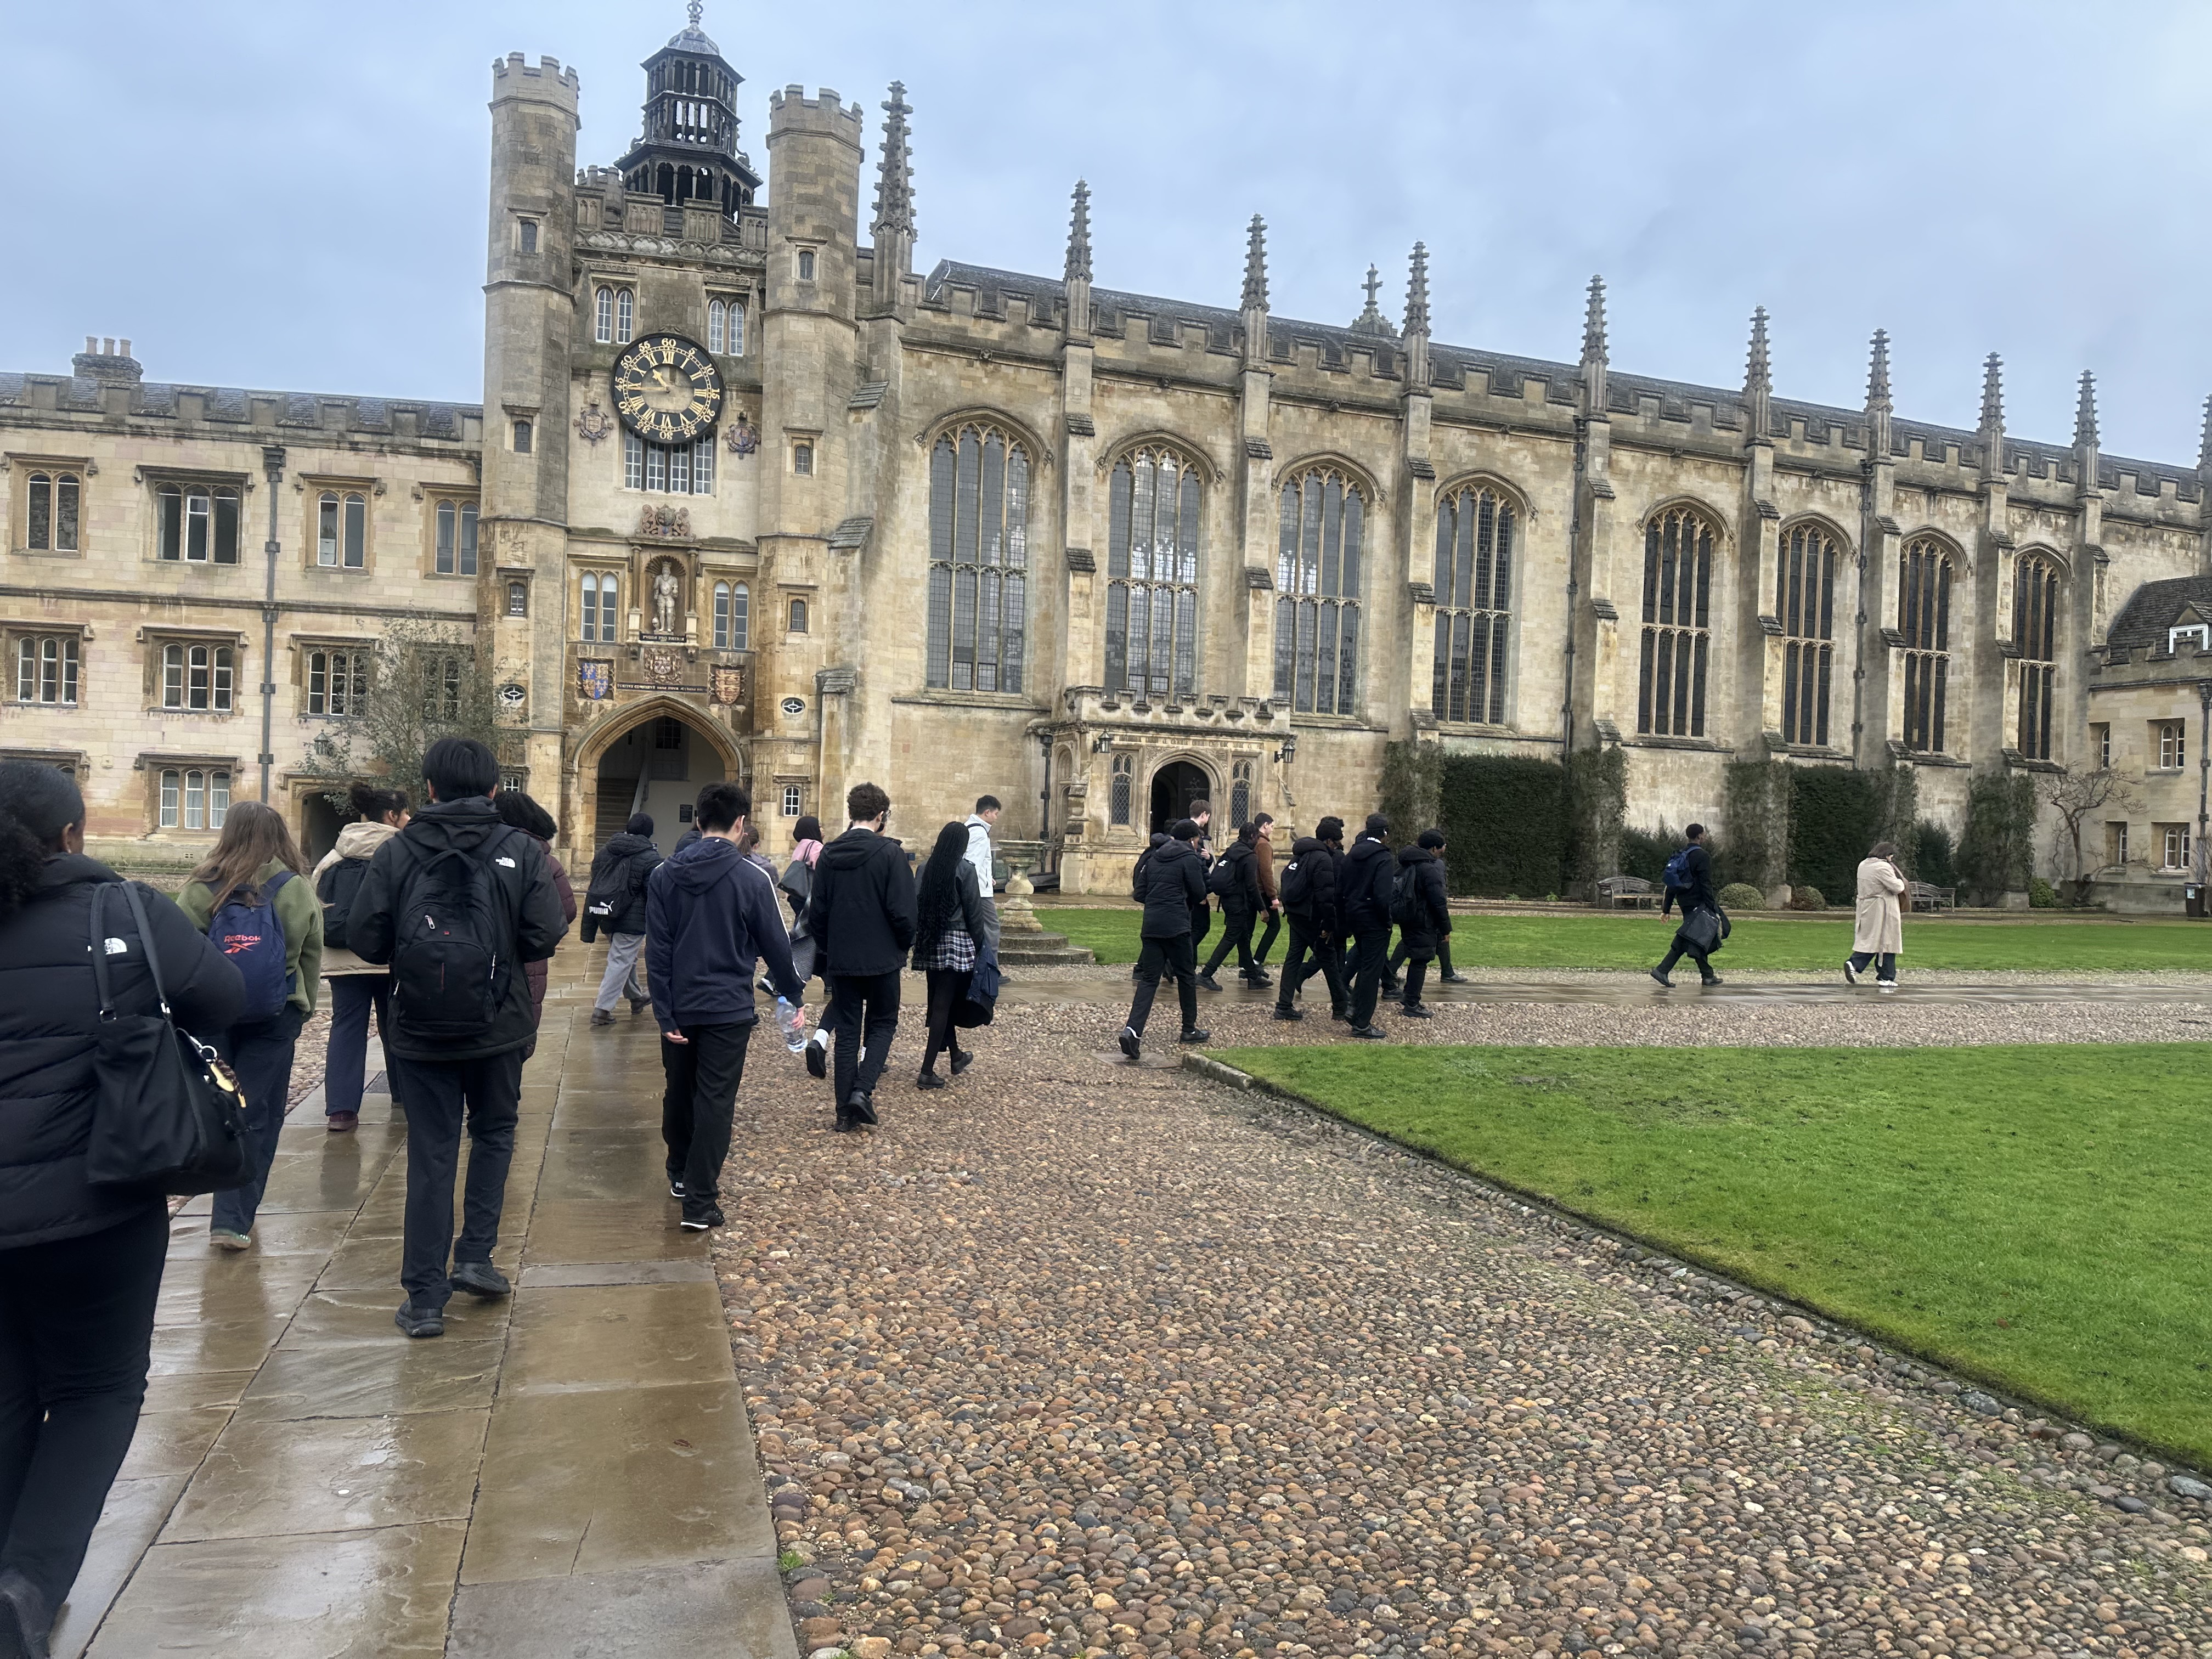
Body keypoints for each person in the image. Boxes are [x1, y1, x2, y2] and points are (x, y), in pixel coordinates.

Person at [0, 761, 243, 1656]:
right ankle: (24, 1589)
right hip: (96, 1197)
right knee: (99, 1390)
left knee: (11, 1386)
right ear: (72, 835)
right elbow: (225, 996)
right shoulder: (123, 910)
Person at [349, 737, 568, 1339]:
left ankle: (424, 1296)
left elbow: (367, 939)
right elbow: (545, 934)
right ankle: (475, 1255)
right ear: (496, 790)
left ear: (428, 789)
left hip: (419, 1029)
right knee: (494, 1134)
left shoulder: (397, 853)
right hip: (498, 1026)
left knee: (432, 1152)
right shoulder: (520, 850)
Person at [645, 782, 805, 1230]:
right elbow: (777, 945)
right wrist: (793, 994)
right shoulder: (753, 879)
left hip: (679, 1004)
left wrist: (665, 1013)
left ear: (698, 821)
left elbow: (656, 952)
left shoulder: (662, 875)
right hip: (728, 1007)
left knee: (678, 1091)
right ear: (741, 825)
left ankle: (679, 1172)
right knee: (715, 1100)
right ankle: (700, 1200)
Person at [177, 801, 324, 1250]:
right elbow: (311, 950)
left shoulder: (203, 886)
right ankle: (233, 1219)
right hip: (275, 1014)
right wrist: (303, 1005)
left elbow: (180, 949)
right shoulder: (293, 886)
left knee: (220, 1105)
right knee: (258, 1113)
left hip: (214, 1015)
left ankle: (214, 1194)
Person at [805, 782, 917, 1131]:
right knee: (883, 1023)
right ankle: (861, 1092)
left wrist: (829, 946)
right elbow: (903, 911)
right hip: (882, 956)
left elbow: (817, 913)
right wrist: (903, 945)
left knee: (848, 1031)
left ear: (851, 814)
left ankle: (843, 1113)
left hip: (843, 956)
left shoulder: (829, 854)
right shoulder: (890, 854)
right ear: (881, 816)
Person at [314, 782, 408, 1133]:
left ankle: (340, 1110)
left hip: (343, 957)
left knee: (346, 1027)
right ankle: (403, 1094)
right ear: (392, 816)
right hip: (390, 957)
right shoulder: (404, 853)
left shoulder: (334, 856)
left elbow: (318, 905)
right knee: (394, 1025)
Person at [494, 790, 577, 1059]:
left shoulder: (480, 850)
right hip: (527, 959)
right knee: (519, 1034)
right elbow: (565, 912)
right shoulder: (544, 859)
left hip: (479, 954)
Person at [1119, 817, 1211, 1061]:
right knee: (1186, 976)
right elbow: (1200, 891)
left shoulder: (1155, 855)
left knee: (1149, 980)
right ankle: (1189, 1029)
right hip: (1177, 925)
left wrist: (1158, 902)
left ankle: (1132, 1031)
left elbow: (1140, 892)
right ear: (1193, 840)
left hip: (1152, 924)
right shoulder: (1189, 858)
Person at [911, 821, 992, 1088]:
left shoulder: (925, 868)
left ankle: (956, 1056)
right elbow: (973, 912)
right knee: (943, 1006)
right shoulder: (965, 869)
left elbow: (917, 905)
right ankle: (926, 1071)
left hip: (931, 939)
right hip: (957, 940)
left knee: (939, 1001)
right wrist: (981, 945)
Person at [581, 812, 660, 1026]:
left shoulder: (605, 851)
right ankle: (603, 1009)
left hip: (605, 913)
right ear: (649, 834)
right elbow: (654, 892)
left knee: (626, 958)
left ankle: (636, 998)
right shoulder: (650, 858)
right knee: (621, 960)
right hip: (632, 920)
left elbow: (595, 882)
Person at [1274, 816, 1348, 1022]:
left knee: (1294, 958)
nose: (1338, 846)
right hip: (1312, 917)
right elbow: (1325, 896)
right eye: (1336, 841)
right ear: (1329, 841)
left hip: (1296, 914)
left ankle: (1284, 1005)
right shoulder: (1323, 858)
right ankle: (1342, 1007)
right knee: (1329, 960)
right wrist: (1329, 924)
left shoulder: (1300, 854)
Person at [1339, 812, 1396, 1039]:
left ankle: (1355, 1009)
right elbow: (1383, 896)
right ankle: (1362, 1023)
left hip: (1355, 916)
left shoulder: (1352, 855)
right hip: (1374, 920)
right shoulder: (1383, 858)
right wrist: (1387, 921)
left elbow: (1342, 888)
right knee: (1371, 972)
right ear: (1384, 833)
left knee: (1365, 966)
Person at [1651, 823, 1724, 988]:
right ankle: (1662, 970)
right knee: (1689, 937)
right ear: (1699, 836)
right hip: (1699, 903)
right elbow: (1706, 883)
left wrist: (1666, 909)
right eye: (1704, 834)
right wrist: (1712, 906)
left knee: (1696, 937)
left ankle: (1707, 976)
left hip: (1685, 903)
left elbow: (1671, 885)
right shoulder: (1702, 856)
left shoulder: (1681, 854)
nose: (1705, 836)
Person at [1197, 821, 1266, 990]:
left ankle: (1252, 976)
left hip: (1228, 900)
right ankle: (1206, 974)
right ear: (1252, 837)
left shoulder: (1231, 852)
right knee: (1230, 938)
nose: (1258, 841)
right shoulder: (1249, 857)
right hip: (1239, 903)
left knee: (1243, 938)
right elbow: (1251, 886)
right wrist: (1262, 909)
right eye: (1257, 837)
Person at [1392, 829, 1453, 1018]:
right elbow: (1438, 902)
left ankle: (1408, 997)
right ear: (1434, 848)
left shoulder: (1404, 865)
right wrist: (1446, 928)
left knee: (1416, 957)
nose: (1443, 850)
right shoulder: (1429, 868)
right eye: (1441, 846)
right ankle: (1412, 1003)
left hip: (1407, 917)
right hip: (1424, 920)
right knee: (1420, 961)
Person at [1846, 840, 1908, 991]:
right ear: (1887, 855)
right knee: (1887, 941)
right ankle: (1877, 973)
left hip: (1866, 906)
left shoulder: (1863, 865)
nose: (1891, 859)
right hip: (1883, 908)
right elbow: (1897, 887)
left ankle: (1883, 974)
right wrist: (1901, 881)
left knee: (1872, 939)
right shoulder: (1882, 866)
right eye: (1891, 856)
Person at [781, 814, 825, 985]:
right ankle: (777, 978)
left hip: (794, 895)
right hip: (807, 896)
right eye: (820, 827)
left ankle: (825, 977)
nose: (823, 830)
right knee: (802, 934)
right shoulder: (816, 846)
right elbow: (820, 870)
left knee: (806, 933)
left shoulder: (801, 845)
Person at [962, 795, 1002, 956]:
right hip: (980, 893)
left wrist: (988, 877)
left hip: (976, 888)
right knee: (992, 927)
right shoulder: (979, 833)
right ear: (987, 812)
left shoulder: (968, 827)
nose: (996, 817)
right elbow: (972, 865)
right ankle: (991, 971)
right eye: (996, 813)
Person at [1249, 811, 1281, 978]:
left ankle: (1248, 964)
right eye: (1272, 826)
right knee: (1275, 926)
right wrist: (1274, 896)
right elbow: (1266, 871)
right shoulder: (1263, 845)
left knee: (1248, 929)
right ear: (1266, 825)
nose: (1273, 830)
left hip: (1254, 890)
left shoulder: (1255, 842)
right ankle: (1256, 962)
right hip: (1263, 892)